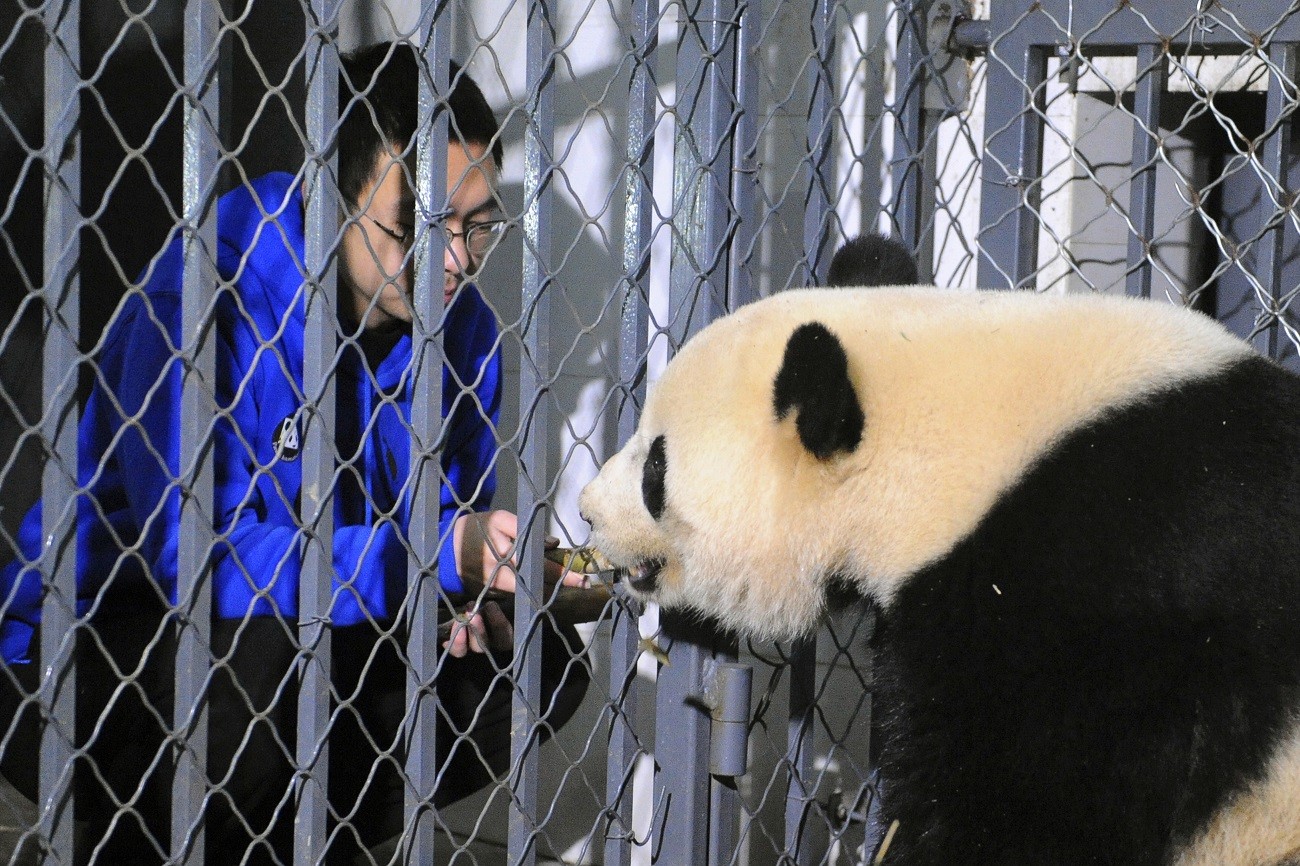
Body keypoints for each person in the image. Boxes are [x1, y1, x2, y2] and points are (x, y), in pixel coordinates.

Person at [0, 42, 589, 863]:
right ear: (326, 196)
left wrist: (470, 592)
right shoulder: (210, 291)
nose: (453, 260)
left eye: (477, 226)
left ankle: (299, 837)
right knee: (265, 644)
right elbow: (199, 560)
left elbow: (449, 519)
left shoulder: (467, 335)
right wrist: (434, 556)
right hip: (99, 647)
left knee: (542, 660)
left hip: (308, 631)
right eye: (420, 225)